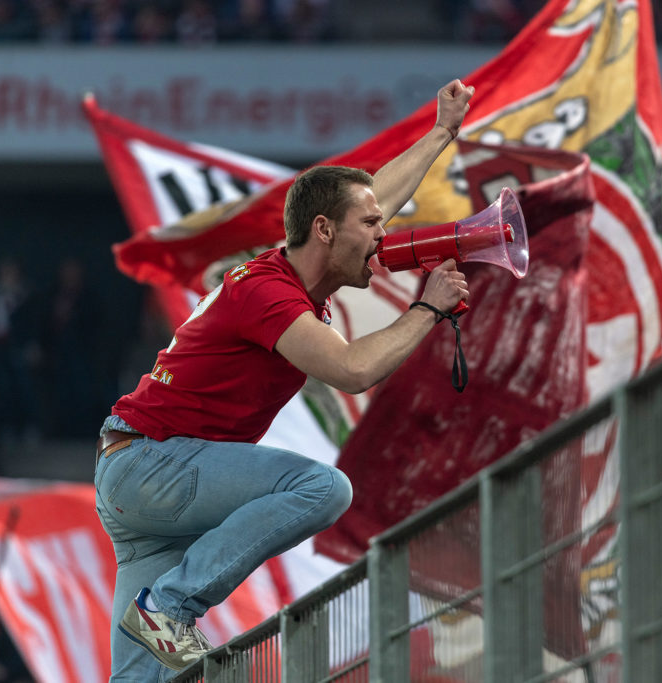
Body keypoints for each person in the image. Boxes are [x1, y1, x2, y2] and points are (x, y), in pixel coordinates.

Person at [94, 78, 475, 679]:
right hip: (155, 466)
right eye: (370, 226)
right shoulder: (270, 294)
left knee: (141, 676)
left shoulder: (286, 271)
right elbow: (352, 371)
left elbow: (377, 198)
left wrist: (442, 133)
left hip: (138, 479)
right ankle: (171, 604)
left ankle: (161, 610)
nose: (384, 234)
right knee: (324, 490)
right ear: (324, 230)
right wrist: (426, 310)